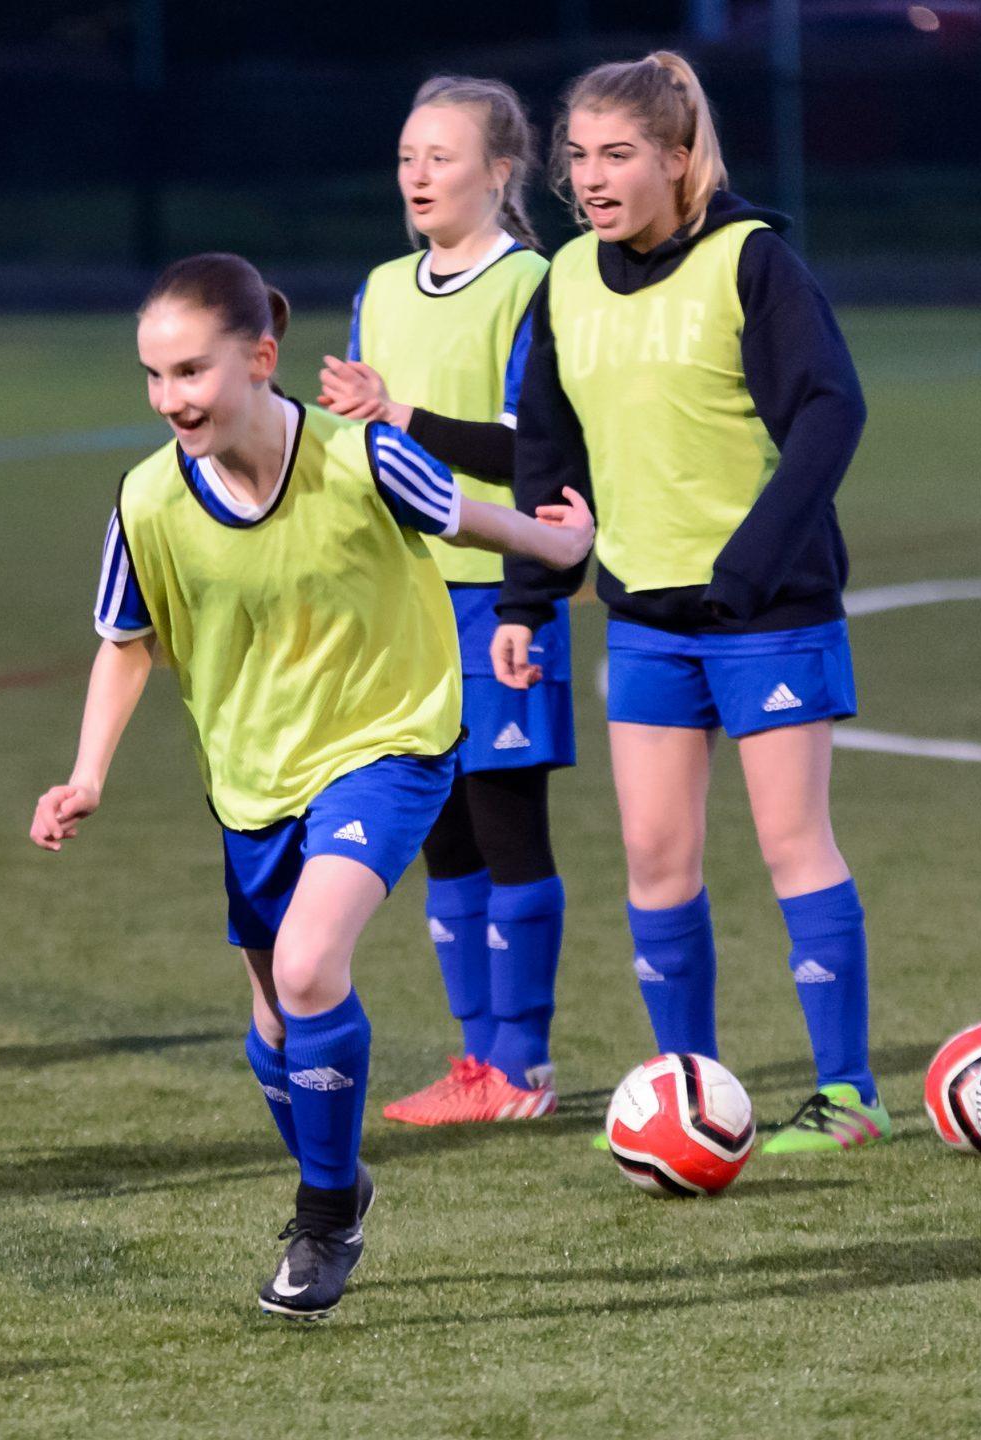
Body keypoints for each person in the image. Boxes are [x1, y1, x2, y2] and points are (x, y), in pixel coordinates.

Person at [31, 252, 593, 1319]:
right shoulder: (147, 499)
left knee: (307, 962)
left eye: (191, 372)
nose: (170, 400)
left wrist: (556, 544)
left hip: (391, 740)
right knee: (275, 1029)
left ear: (260, 358)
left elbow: (463, 516)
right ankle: (339, 1176)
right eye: (154, 377)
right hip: (253, 779)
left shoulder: (362, 457)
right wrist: (86, 773)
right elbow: (127, 638)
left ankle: (326, 1218)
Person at [500, 53, 883, 1154]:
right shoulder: (565, 279)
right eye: (578, 157)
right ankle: (688, 1089)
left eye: (618, 155)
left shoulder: (751, 264)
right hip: (647, 618)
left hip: (769, 610)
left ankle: (849, 1096)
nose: (593, 179)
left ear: (679, 159)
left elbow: (831, 411)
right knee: (657, 859)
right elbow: (546, 447)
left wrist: (758, 558)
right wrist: (531, 597)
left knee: (790, 843)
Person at [316, 76, 570, 1126]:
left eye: (443, 157)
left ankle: (526, 1065)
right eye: (408, 157)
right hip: (399, 604)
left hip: (496, 593)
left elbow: (534, 450)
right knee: (442, 836)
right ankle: (475, 1062)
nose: (418, 175)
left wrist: (402, 414)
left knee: (508, 826)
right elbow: (358, 448)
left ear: (500, 173)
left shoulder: (534, 285)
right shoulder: (378, 287)